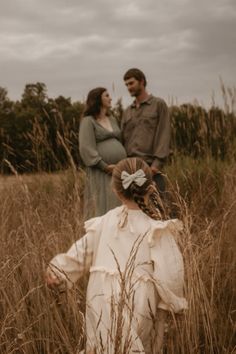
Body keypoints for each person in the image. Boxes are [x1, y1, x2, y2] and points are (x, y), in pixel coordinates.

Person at [46, 157, 187, 354]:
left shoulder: (105, 222)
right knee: (139, 347)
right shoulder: (157, 228)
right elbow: (171, 272)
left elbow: (81, 252)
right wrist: (173, 303)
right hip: (139, 302)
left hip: (101, 298)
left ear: (115, 190)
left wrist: (59, 271)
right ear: (150, 187)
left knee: (101, 346)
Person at [79, 87, 127, 219]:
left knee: (120, 205)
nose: (110, 98)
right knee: (103, 207)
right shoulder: (88, 121)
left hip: (118, 170)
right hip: (101, 171)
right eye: (106, 95)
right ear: (97, 99)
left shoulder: (112, 119)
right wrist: (104, 166)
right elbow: (86, 148)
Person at [121, 68, 171, 195]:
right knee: (132, 213)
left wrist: (154, 167)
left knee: (157, 212)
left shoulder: (158, 104)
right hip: (130, 170)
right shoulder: (127, 111)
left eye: (131, 83)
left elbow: (164, 135)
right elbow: (122, 140)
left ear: (142, 81)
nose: (128, 87)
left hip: (151, 169)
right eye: (126, 85)